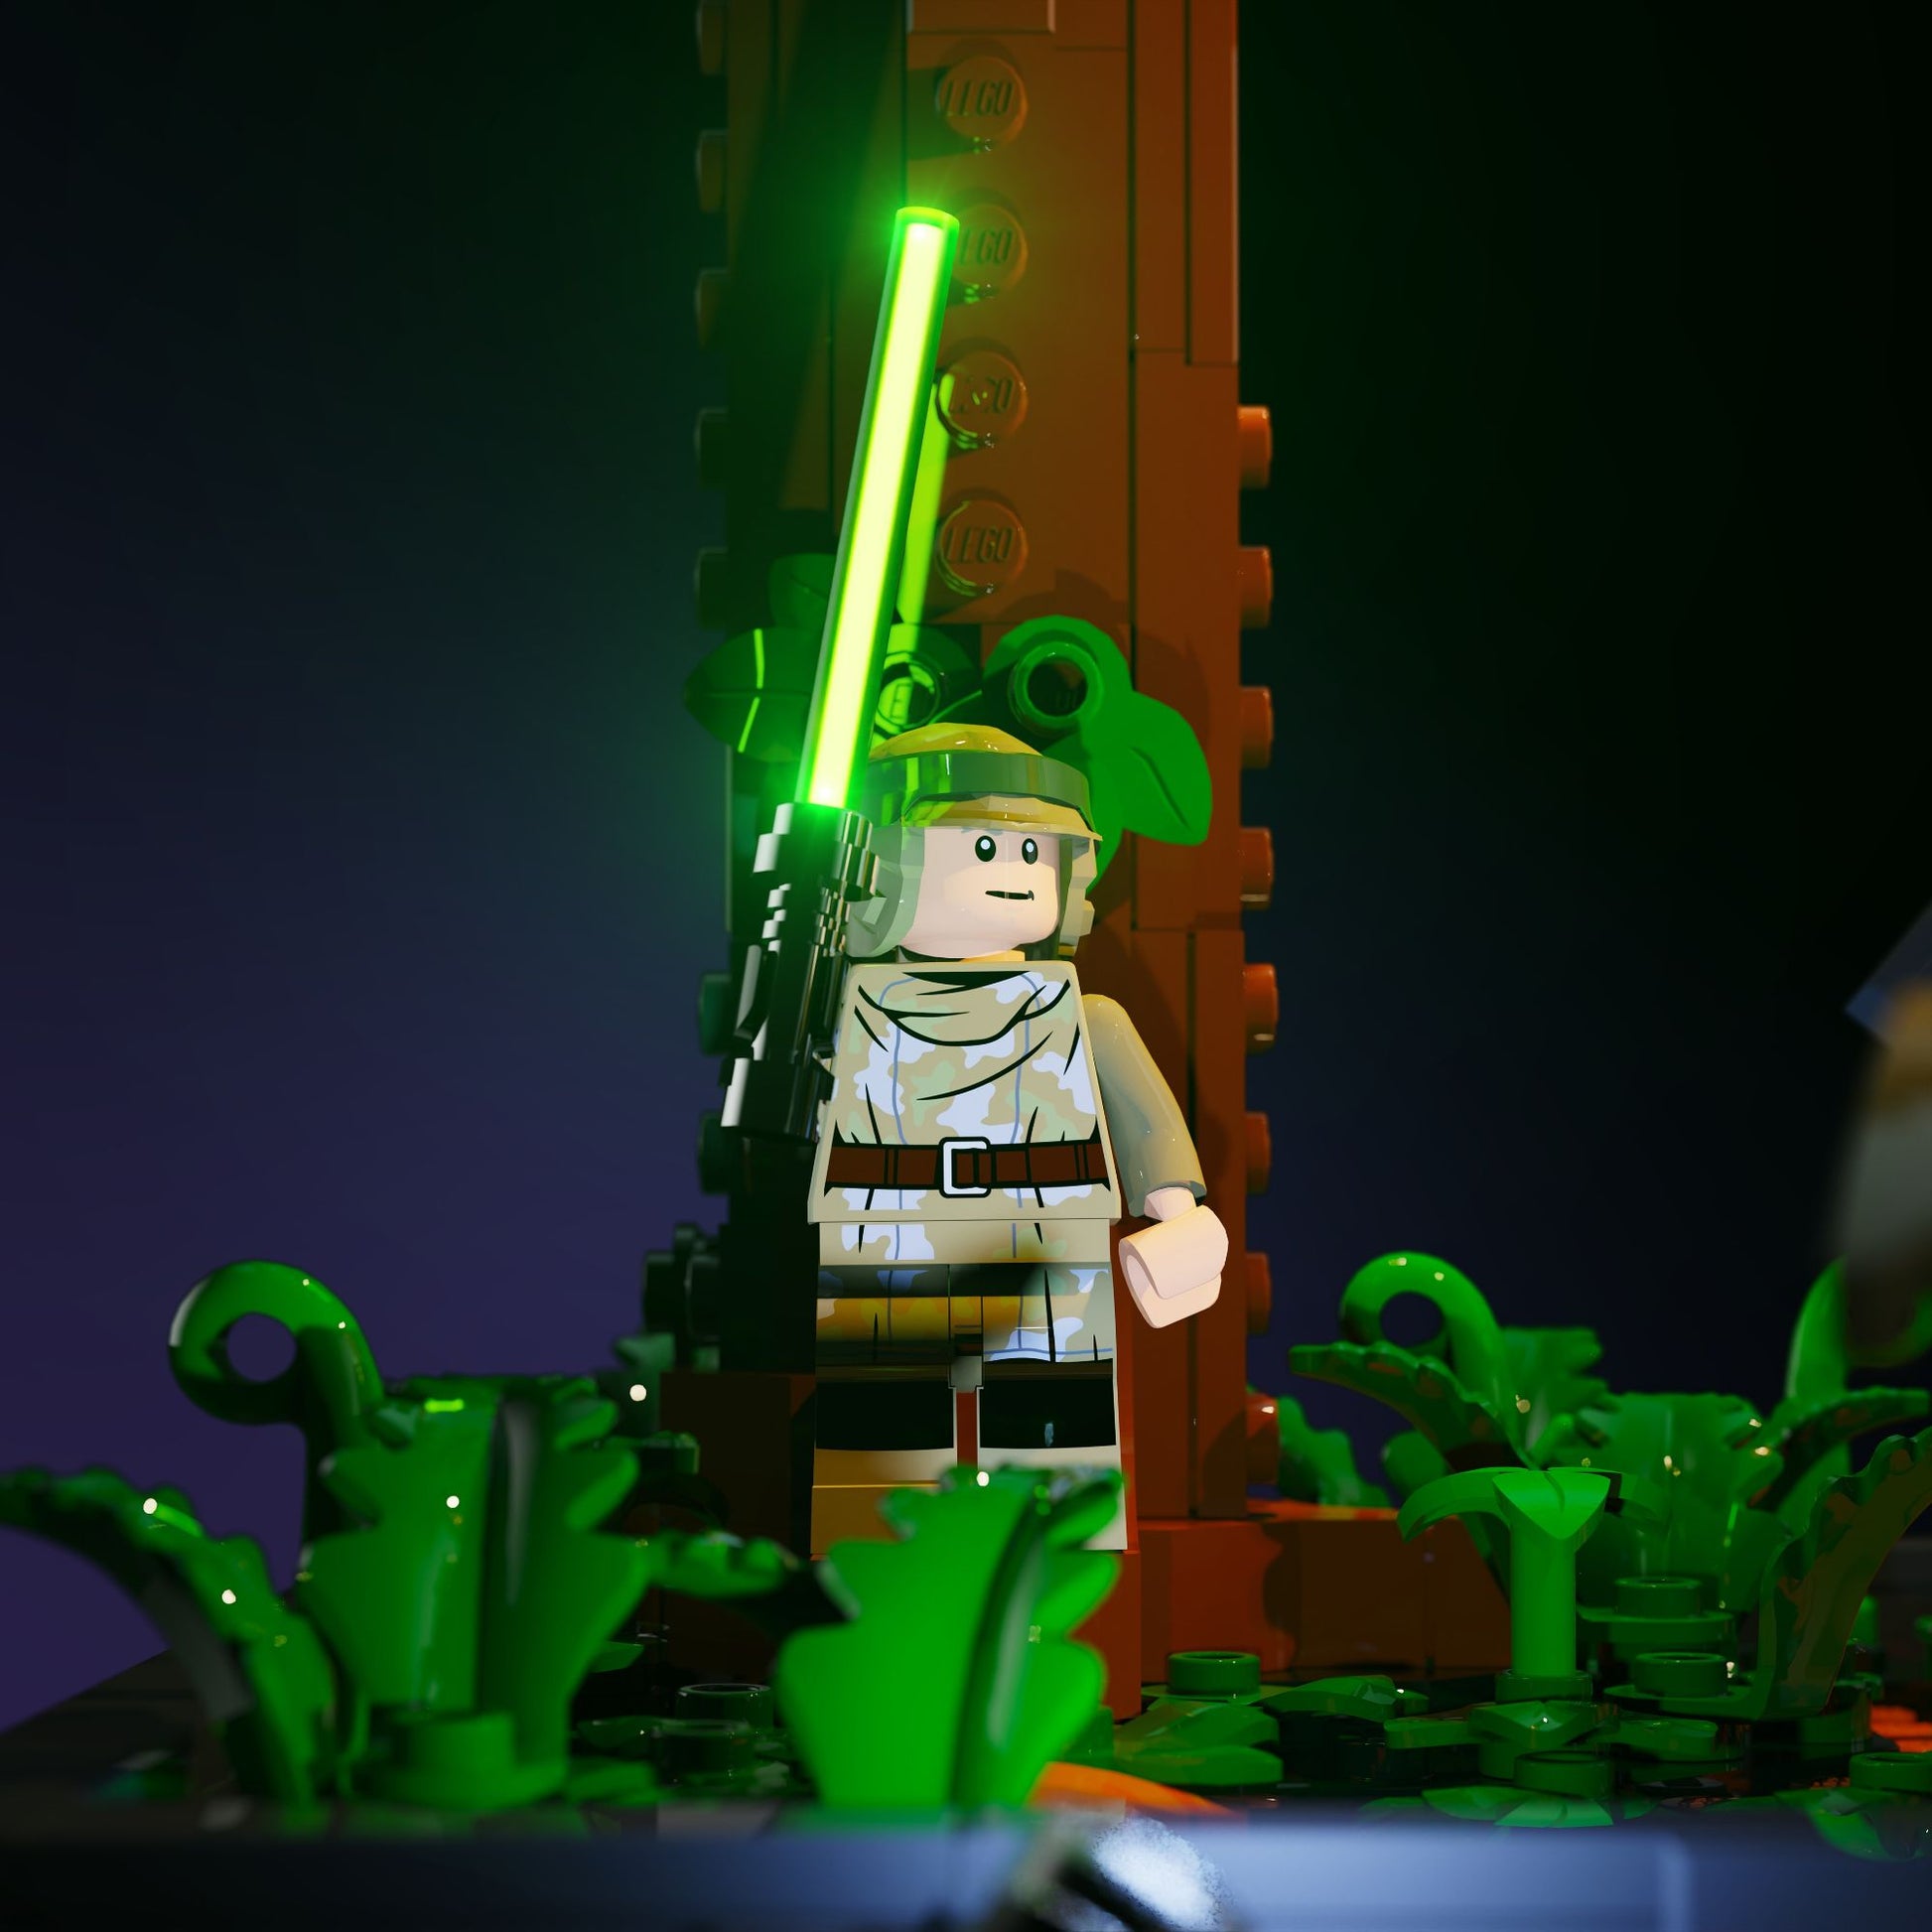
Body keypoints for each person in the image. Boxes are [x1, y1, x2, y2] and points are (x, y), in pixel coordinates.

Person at [806, 723, 1225, 1551]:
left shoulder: (1083, 1014)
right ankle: (884, 1583)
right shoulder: (853, 1008)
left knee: (1052, 1439)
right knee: (882, 1450)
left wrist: (1176, 1210)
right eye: (983, 846)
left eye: (1034, 852)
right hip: (890, 1239)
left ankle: (1049, 1588)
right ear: (886, 864)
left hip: (1043, 1235)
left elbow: (1144, 1119)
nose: (1012, 869)